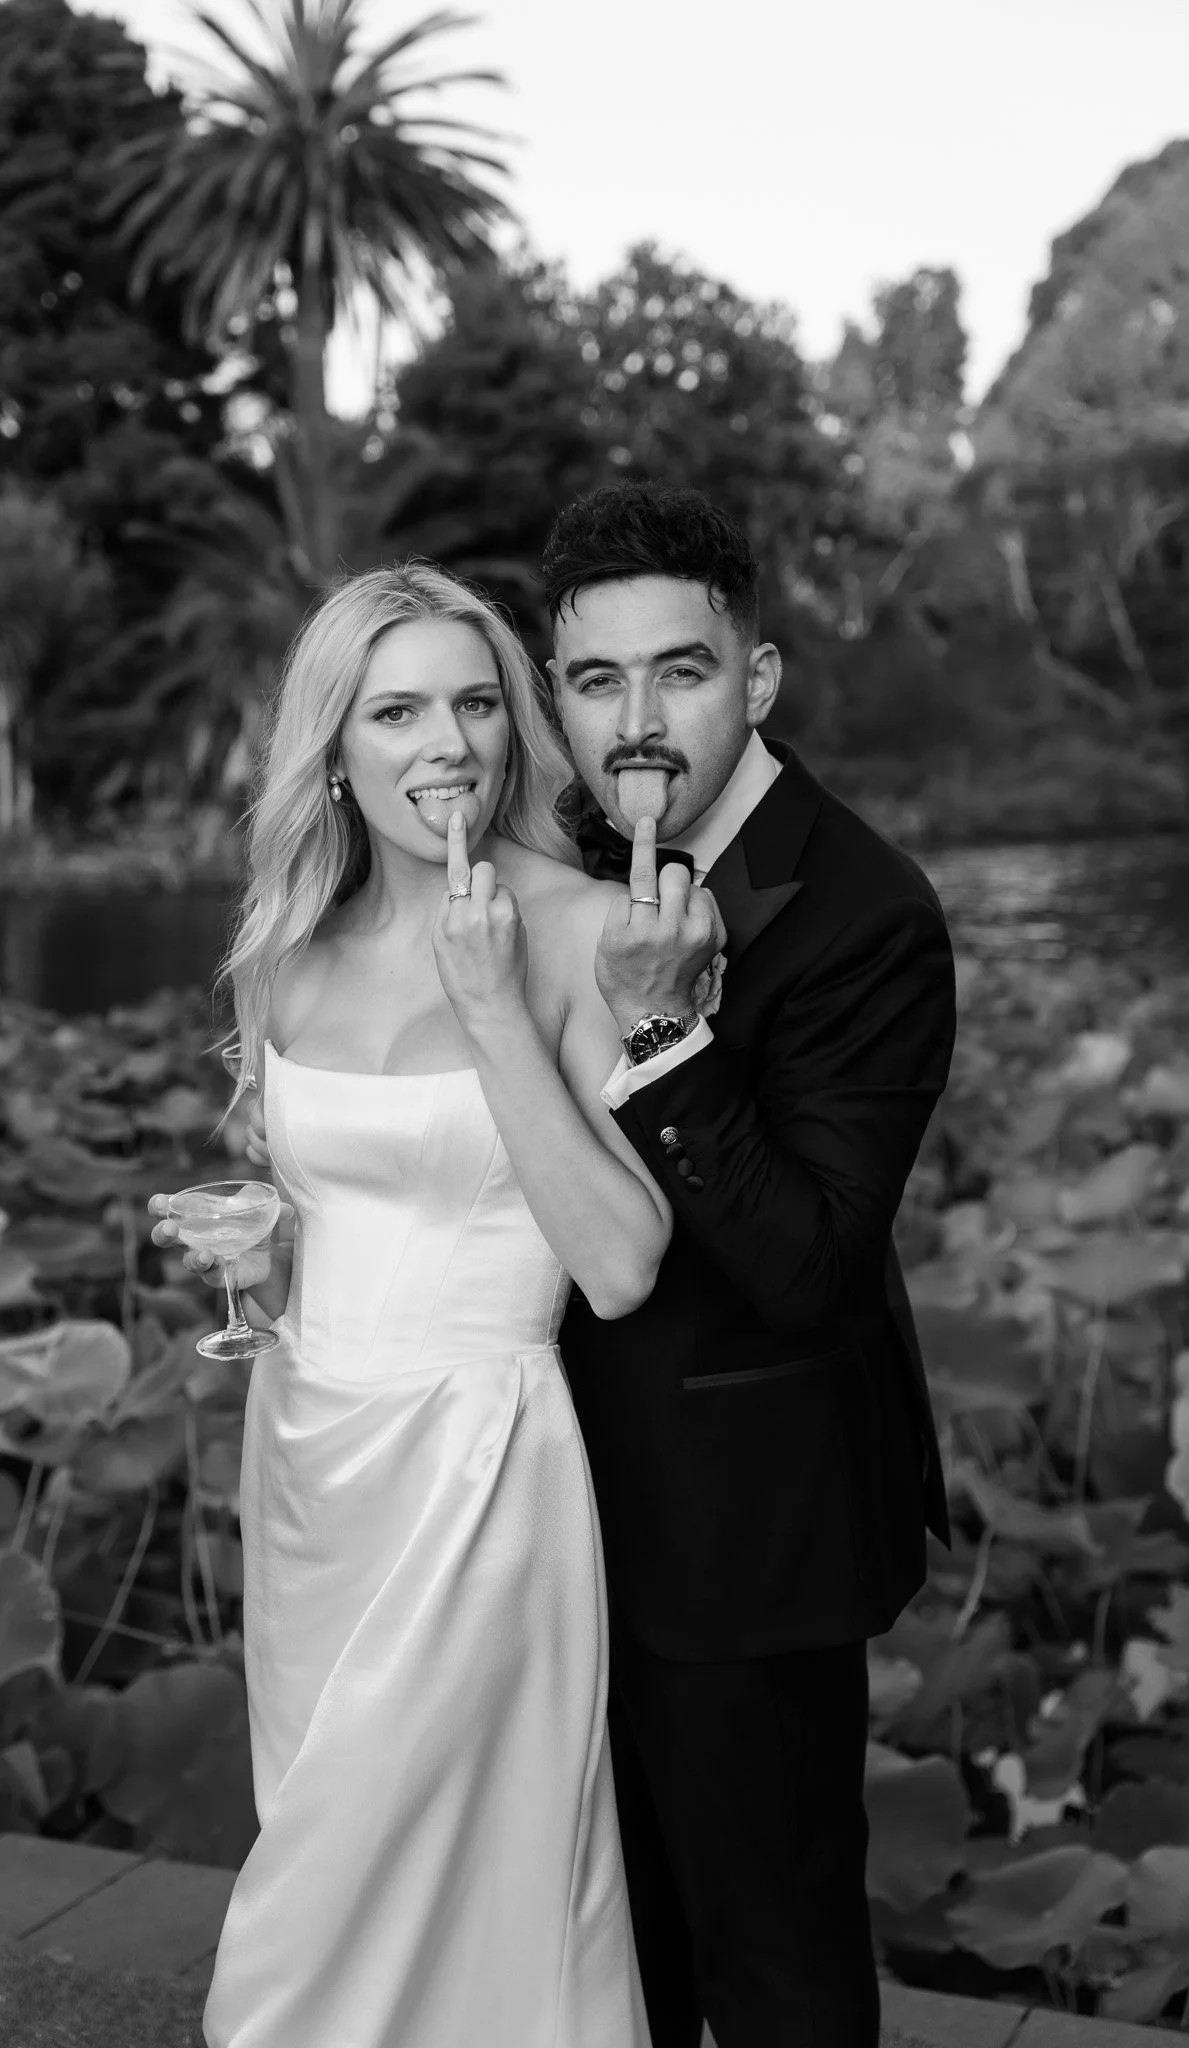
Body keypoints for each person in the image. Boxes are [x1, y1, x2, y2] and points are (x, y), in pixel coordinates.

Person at [150, 562, 671, 2048]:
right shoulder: (288, 950)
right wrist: (255, 1259)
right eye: (396, 712)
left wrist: (494, 1004)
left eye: (475, 704)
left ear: (514, 727)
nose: (447, 744)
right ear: (333, 749)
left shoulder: (585, 929)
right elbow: (334, 1221)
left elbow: (624, 1262)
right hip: (306, 1455)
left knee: (390, 1885)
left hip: (478, 1469)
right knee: (319, 1827)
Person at [544, 481, 957, 2048]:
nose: (638, 721)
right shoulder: (554, 869)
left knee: (777, 1976)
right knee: (613, 1957)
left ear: (759, 678)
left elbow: (812, 1265)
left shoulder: (868, 910)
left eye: (683, 670)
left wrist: (666, 1029)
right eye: (598, 680)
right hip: (539, 1509)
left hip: (747, 1531)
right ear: (558, 697)